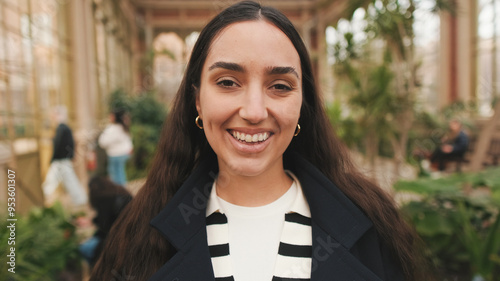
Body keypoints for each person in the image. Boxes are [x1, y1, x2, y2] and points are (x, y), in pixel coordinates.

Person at [91, 2, 425, 280]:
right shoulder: (137, 237)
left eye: (280, 86)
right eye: (227, 82)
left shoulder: (374, 223)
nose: (253, 111)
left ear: (302, 105)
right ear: (197, 100)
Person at [79, 176, 132, 267]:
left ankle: (98, 271)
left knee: (84, 248)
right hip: (132, 233)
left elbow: (105, 227)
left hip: (119, 241)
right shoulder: (120, 192)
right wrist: (91, 221)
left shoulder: (104, 200)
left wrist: (93, 229)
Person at [42, 105, 87, 207]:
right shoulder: (65, 128)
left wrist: (53, 158)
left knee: (52, 182)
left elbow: (58, 145)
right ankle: (80, 199)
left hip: (60, 160)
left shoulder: (61, 128)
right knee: (67, 180)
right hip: (63, 159)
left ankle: (41, 198)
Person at [98, 109, 133, 186]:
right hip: (124, 153)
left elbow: (102, 142)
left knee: (114, 174)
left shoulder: (112, 129)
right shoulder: (123, 127)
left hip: (115, 155)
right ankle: (122, 189)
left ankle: (119, 191)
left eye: (111, 116)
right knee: (120, 171)